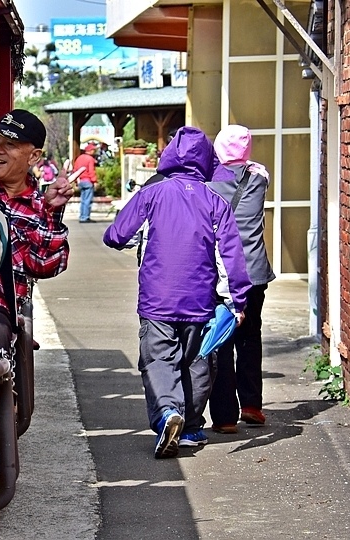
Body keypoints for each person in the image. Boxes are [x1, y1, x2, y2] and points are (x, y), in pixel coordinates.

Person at [102, 126, 252, 459]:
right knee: (198, 363)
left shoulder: (152, 194)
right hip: (200, 300)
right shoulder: (216, 202)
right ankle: (192, 428)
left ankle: (168, 413)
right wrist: (236, 301)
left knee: (158, 361)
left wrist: (142, 239)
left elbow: (116, 235)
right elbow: (231, 259)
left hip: (157, 297)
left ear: (170, 155)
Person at [0, 109, 73, 361]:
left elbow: (43, 267)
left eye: (10, 144)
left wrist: (51, 211)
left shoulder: (40, 204)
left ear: (34, 156)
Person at [207, 124, 276, 433]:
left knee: (221, 339)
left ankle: (224, 418)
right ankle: (252, 405)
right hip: (255, 271)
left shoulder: (208, 181)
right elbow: (257, 169)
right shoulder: (259, 178)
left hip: (220, 272)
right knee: (250, 336)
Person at [73, 143, 97, 223]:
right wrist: (94, 181)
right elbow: (91, 171)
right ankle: (85, 217)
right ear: (90, 151)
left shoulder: (79, 158)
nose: (94, 151)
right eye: (93, 150)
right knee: (87, 200)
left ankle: (82, 216)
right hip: (88, 181)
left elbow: (75, 170)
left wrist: (76, 180)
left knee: (83, 200)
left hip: (80, 181)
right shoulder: (90, 159)